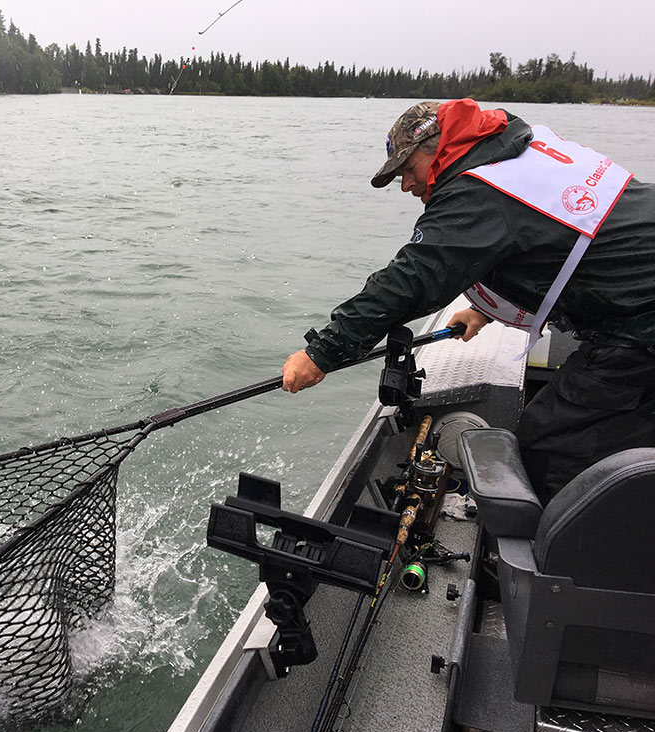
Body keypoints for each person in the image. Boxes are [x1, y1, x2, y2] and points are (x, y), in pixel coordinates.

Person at [281, 98, 655, 503]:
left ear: (436, 150)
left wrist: (321, 353)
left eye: (407, 170)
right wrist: (485, 310)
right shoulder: (512, 153)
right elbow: (549, 242)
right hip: (635, 305)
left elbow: (412, 278)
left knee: (548, 448)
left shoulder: (476, 189)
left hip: (639, 324)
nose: (406, 185)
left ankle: (568, 560)